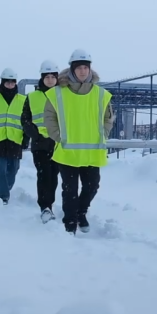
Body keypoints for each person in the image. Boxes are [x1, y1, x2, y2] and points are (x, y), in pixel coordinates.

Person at [42, 49, 114, 234]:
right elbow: (49, 117)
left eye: (85, 67)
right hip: (68, 151)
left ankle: (81, 212)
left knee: (92, 186)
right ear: (72, 69)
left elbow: (108, 118)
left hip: (92, 151)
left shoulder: (101, 94)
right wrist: (58, 136)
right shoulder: (58, 93)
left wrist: (103, 134)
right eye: (79, 68)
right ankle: (70, 223)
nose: (83, 71)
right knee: (70, 190)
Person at [0, 68, 32, 205]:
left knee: (13, 170)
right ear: (3, 83)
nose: (10, 85)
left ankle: (5, 189)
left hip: (15, 140)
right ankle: (2, 196)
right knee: (0, 170)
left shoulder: (23, 100)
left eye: (12, 82)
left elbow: (27, 122)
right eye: (7, 82)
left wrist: (26, 138)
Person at [27, 60, 61, 222]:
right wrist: (35, 135)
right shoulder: (32, 97)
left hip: (58, 144)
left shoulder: (63, 95)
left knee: (53, 176)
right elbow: (25, 119)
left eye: (53, 77)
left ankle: (49, 204)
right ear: (42, 78)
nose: (50, 80)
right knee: (44, 175)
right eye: (47, 77)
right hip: (40, 144)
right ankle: (45, 207)